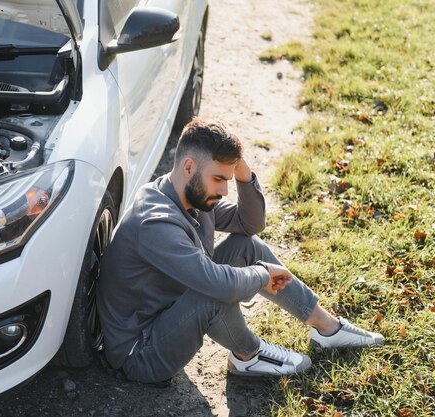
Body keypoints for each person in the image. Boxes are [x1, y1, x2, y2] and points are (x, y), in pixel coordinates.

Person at [96, 118, 384, 383]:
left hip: (168, 311)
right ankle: (249, 355)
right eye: (219, 179)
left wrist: (243, 175)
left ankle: (326, 327)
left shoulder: (188, 194)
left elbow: (250, 224)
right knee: (214, 292)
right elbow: (216, 285)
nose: (224, 191)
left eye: (228, 179)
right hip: (140, 352)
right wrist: (261, 274)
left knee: (245, 247)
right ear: (188, 167)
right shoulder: (156, 223)